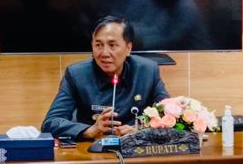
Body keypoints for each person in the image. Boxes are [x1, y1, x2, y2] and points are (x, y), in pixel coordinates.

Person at [41, 15, 169, 141]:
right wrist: (89, 131)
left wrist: (140, 130)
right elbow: (51, 123)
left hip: (135, 152)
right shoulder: (76, 74)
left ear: (128, 48)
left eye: (112, 45)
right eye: (98, 45)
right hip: (91, 152)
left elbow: (170, 117)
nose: (104, 53)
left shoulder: (147, 71)